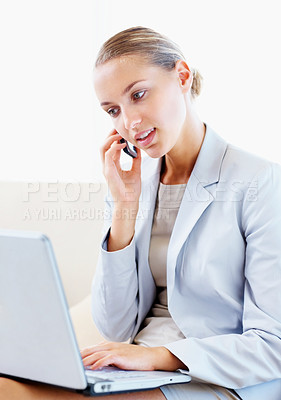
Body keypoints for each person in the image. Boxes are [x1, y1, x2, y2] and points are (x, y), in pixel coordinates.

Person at [1, 26, 281, 400]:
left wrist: (158, 357)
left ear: (182, 76)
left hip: (218, 374)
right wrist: (124, 207)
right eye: (113, 110)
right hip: (138, 366)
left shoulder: (258, 181)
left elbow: (273, 345)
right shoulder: (132, 183)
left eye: (139, 94)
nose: (129, 122)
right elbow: (115, 327)